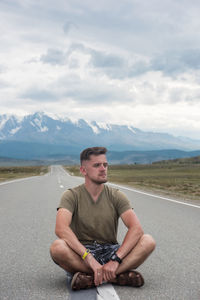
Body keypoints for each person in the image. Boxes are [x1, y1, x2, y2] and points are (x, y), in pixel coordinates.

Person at [50, 147, 156, 291]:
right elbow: (61, 228)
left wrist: (116, 260)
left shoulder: (116, 195)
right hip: (82, 253)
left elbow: (136, 229)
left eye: (105, 165)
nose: (103, 169)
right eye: (96, 165)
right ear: (83, 170)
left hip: (110, 251)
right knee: (57, 247)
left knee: (148, 241)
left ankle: (95, 277)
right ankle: (116, 276)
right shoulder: (71, 195)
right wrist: (88, 258)